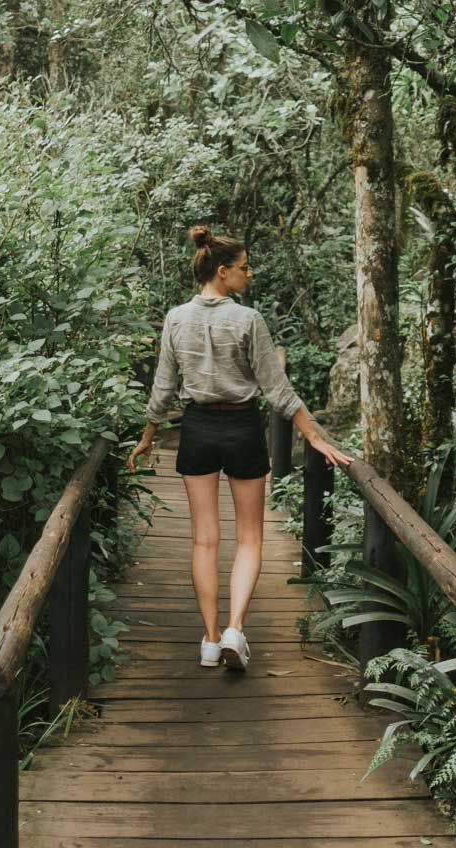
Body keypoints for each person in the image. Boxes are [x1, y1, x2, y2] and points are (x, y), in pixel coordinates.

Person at [127, 225, 352, 673]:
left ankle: (209, 640)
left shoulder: (175, 319)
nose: (250, 275)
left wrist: (149, 435)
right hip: (244, 428)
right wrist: (313, 435)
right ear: (223, 271)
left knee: (204, 540)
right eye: (245, 268)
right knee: (249, 537)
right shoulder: (248, 321)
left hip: (196, 429)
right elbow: (277, 389)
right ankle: (234, 630)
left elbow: (163, 388)